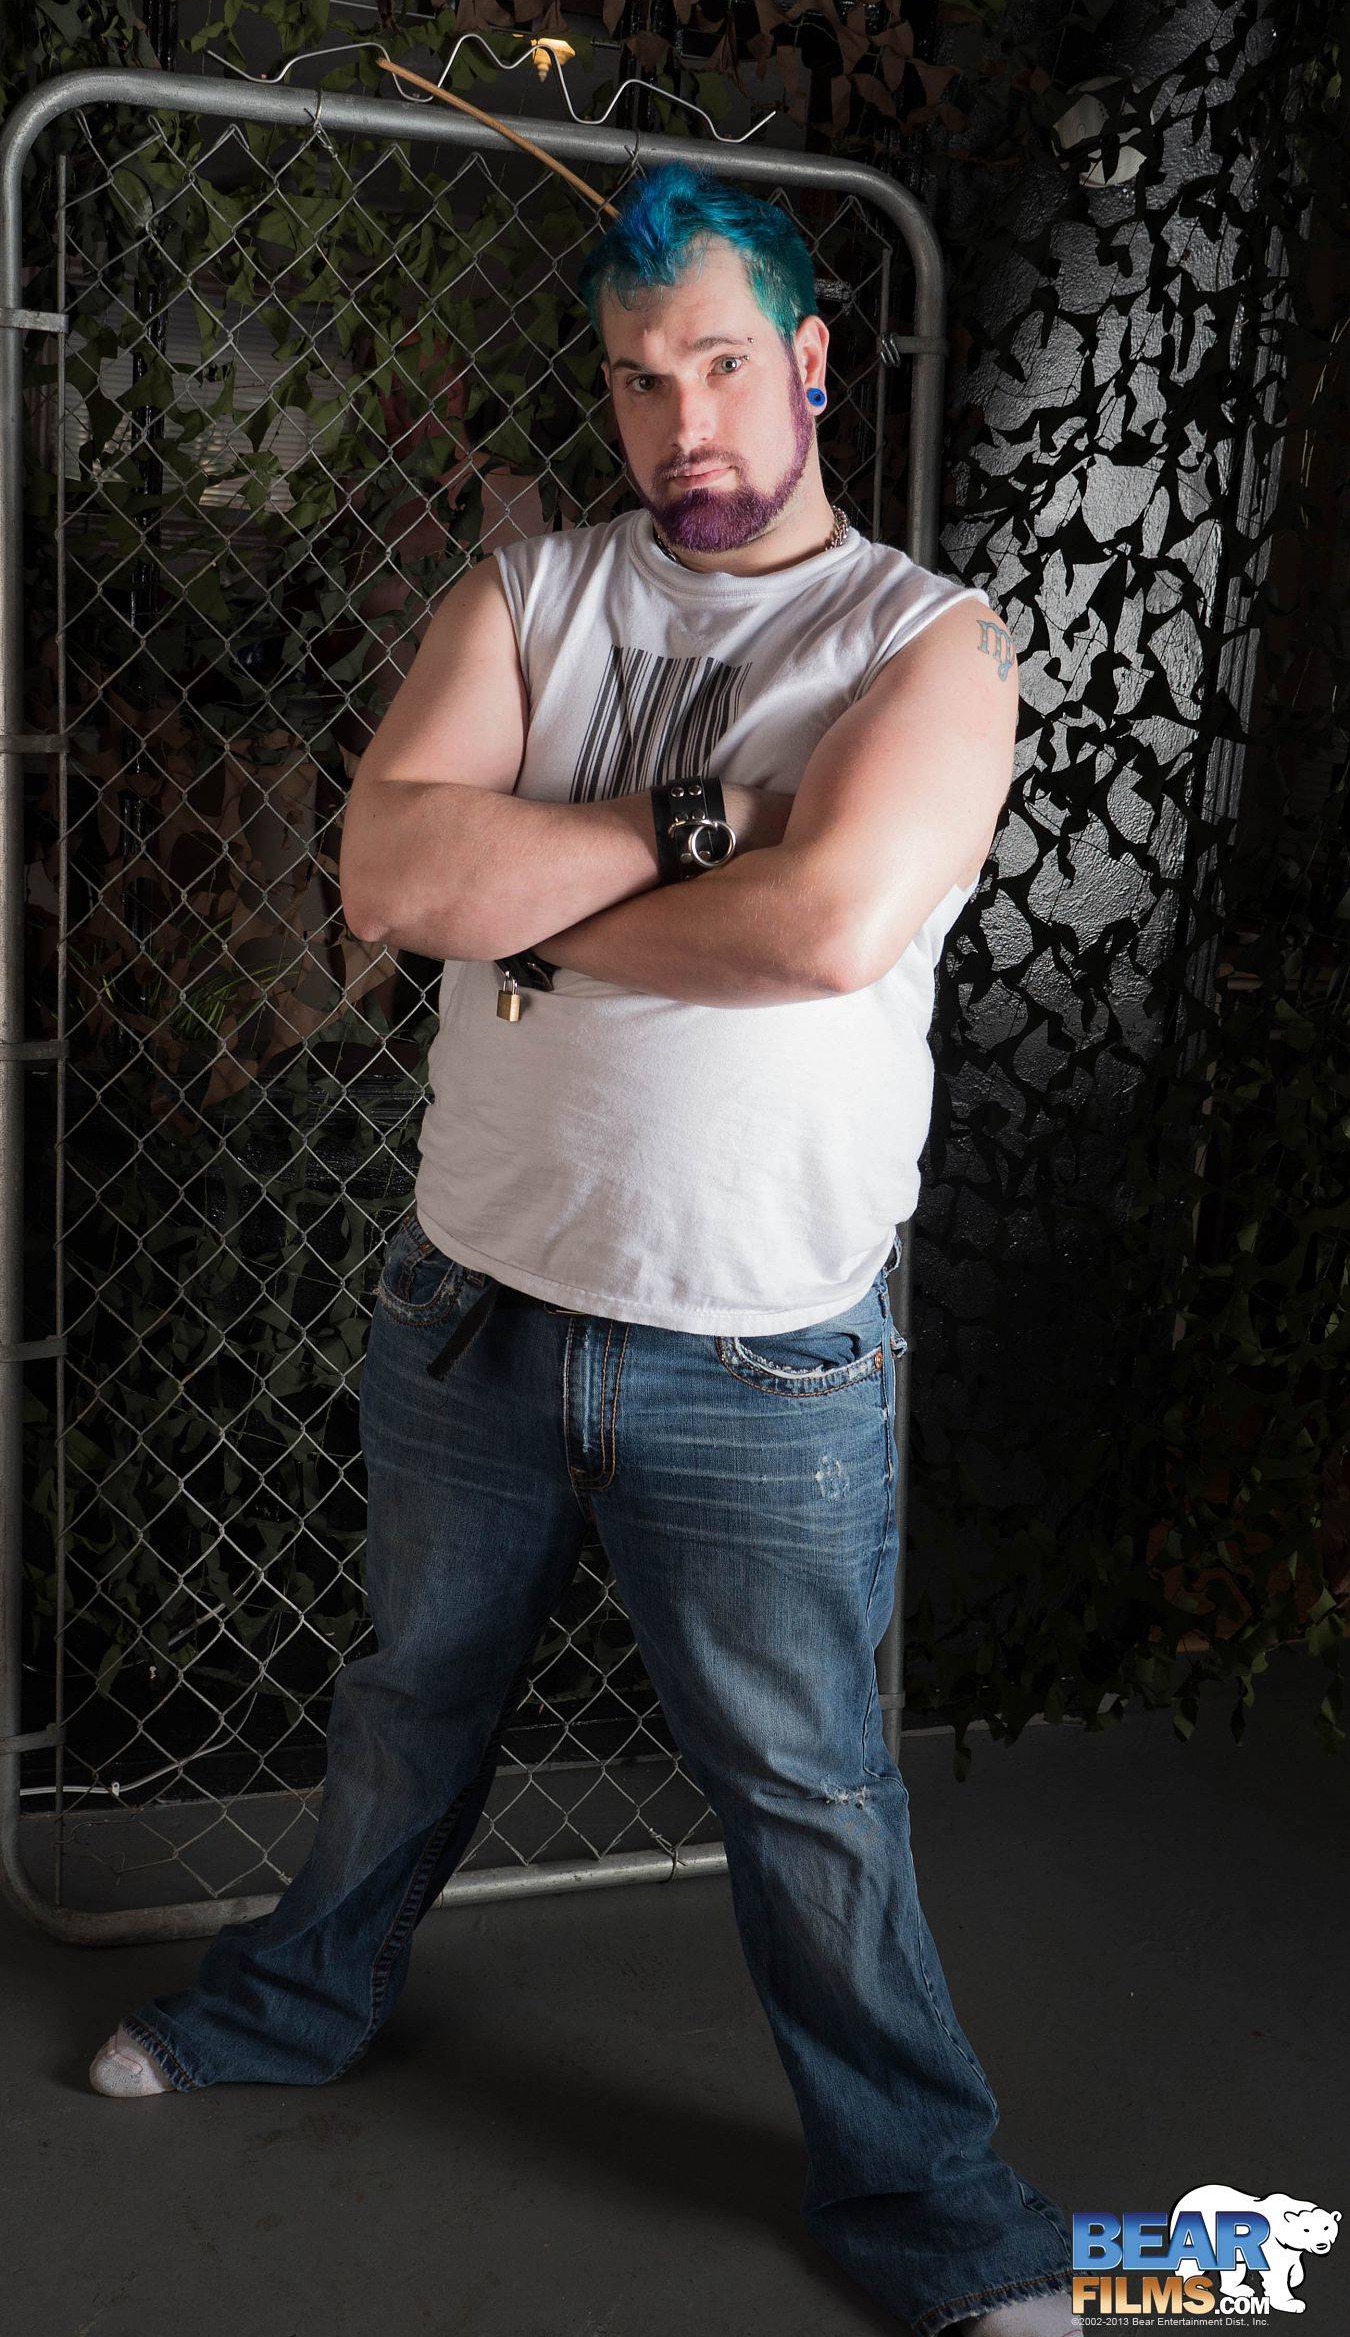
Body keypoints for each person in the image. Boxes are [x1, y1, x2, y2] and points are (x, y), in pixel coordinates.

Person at [90, 162, 1074, 2337]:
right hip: (473, 1300)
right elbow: (385, 881)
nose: (681, 424)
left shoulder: (927, 642)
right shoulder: (528, 596)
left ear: (809, 364)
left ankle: (932, 2207)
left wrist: (527, 897)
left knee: (808, 1795)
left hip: (759, 1343)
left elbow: (826, 928)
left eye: (721, 364)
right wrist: (688, 831)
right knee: (406, 1706)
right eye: (638, 380)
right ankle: (297, 2002)